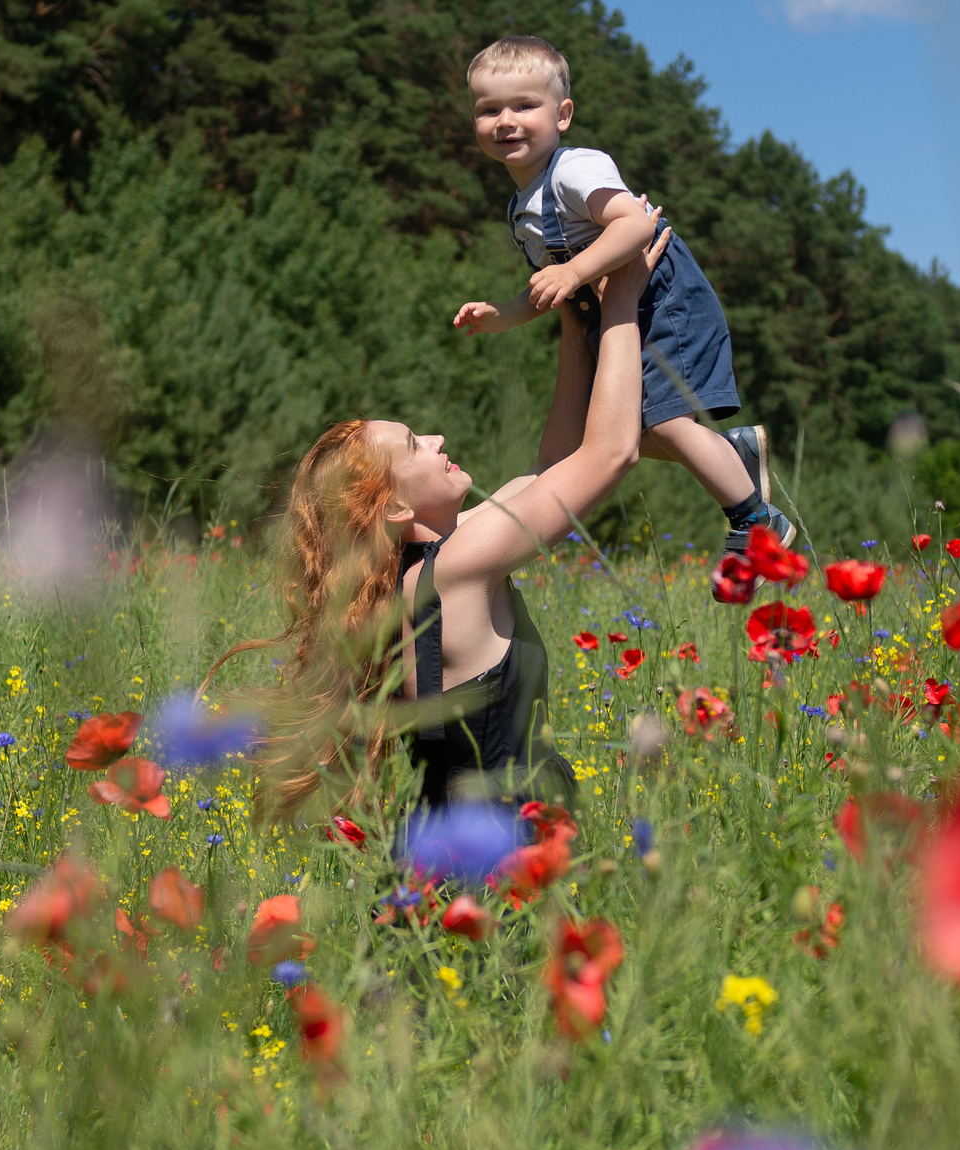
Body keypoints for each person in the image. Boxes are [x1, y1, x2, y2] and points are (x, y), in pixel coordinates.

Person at [223, 219, 669, 817]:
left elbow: (552, 468)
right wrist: (621, 300)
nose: (435, 438)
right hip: (490, 865)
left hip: (448, 859)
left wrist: (571, 319)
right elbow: (612, 453)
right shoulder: (456, 567)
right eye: (413, 446)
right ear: (397, 508)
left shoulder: (421, 574)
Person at [448, 34, 793, 572]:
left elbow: (634, 224)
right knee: (616, 429)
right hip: (611, 308)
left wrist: (576, 269)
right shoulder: (522, 203)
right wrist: (504, 316)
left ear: (562, 114)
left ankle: (756, 519)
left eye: (524, 105)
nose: (505, 120)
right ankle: (731, 453)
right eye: (488, 109)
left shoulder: (574, 169)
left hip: (660, 299)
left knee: (662, 418)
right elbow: (553, 286)